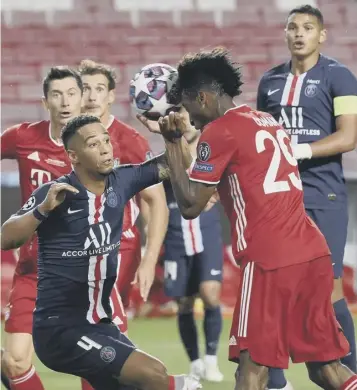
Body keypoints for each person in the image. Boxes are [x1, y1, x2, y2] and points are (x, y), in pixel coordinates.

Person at [151, 47, 357, 390]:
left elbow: (189, 205)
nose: (189, 117)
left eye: (187, 105)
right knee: (327, 369)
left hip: (269, 261)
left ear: (202, 96)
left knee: (251, 372)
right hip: (311, 252)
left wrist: (173, 144)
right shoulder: (267, 120)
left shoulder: (219, 132)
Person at [0, 115, 201, 390]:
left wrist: (174, 139)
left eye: (106, 140)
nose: (106, 148)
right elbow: (6, 237)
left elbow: (176, 164)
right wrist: (42, 210)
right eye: (93, 144)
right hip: (60, 330)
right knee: (154, 375)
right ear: (74, 156)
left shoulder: (123, 180)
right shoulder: (57, 192)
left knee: (137, 382)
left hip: (100, 324)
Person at [256, 4, 357, 374]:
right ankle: (276, 379)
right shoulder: (269, 82)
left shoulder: (341, 77)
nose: (299, 34)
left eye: (308, 28)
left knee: (329, 290)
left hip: (323, 196)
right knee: (276, 289)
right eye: (293, 27)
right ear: (285, 34)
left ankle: (350, 372)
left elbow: (349, 137)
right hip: (279, 202)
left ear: (321, 35)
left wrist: (302, 150)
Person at [0, 66, 84, 390]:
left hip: (83, 270)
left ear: (81, 99)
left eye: (71, 94)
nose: (64, 102)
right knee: (14, 361)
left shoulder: (97, 143)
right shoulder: (22, 138)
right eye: (57, 95)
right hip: (35, 270)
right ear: (45, 101)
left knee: (95, 363)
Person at [79, 59, 168, 324]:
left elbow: (157, 203)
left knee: (106, 328)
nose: (92, 95)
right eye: (85, 88)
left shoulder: (130, 141)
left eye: (99, 88)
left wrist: (149, 259)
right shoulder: (66, 140)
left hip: (118, 250)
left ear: (110, 96)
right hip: (74, 249)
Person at [162, 122, 224, 382]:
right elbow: (152, 198)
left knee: (211, 294)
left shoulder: (213, 153)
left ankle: (211, 359)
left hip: (207, 234)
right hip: (176, 237)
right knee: (184, 303)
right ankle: (195, 362)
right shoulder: (167, 155)